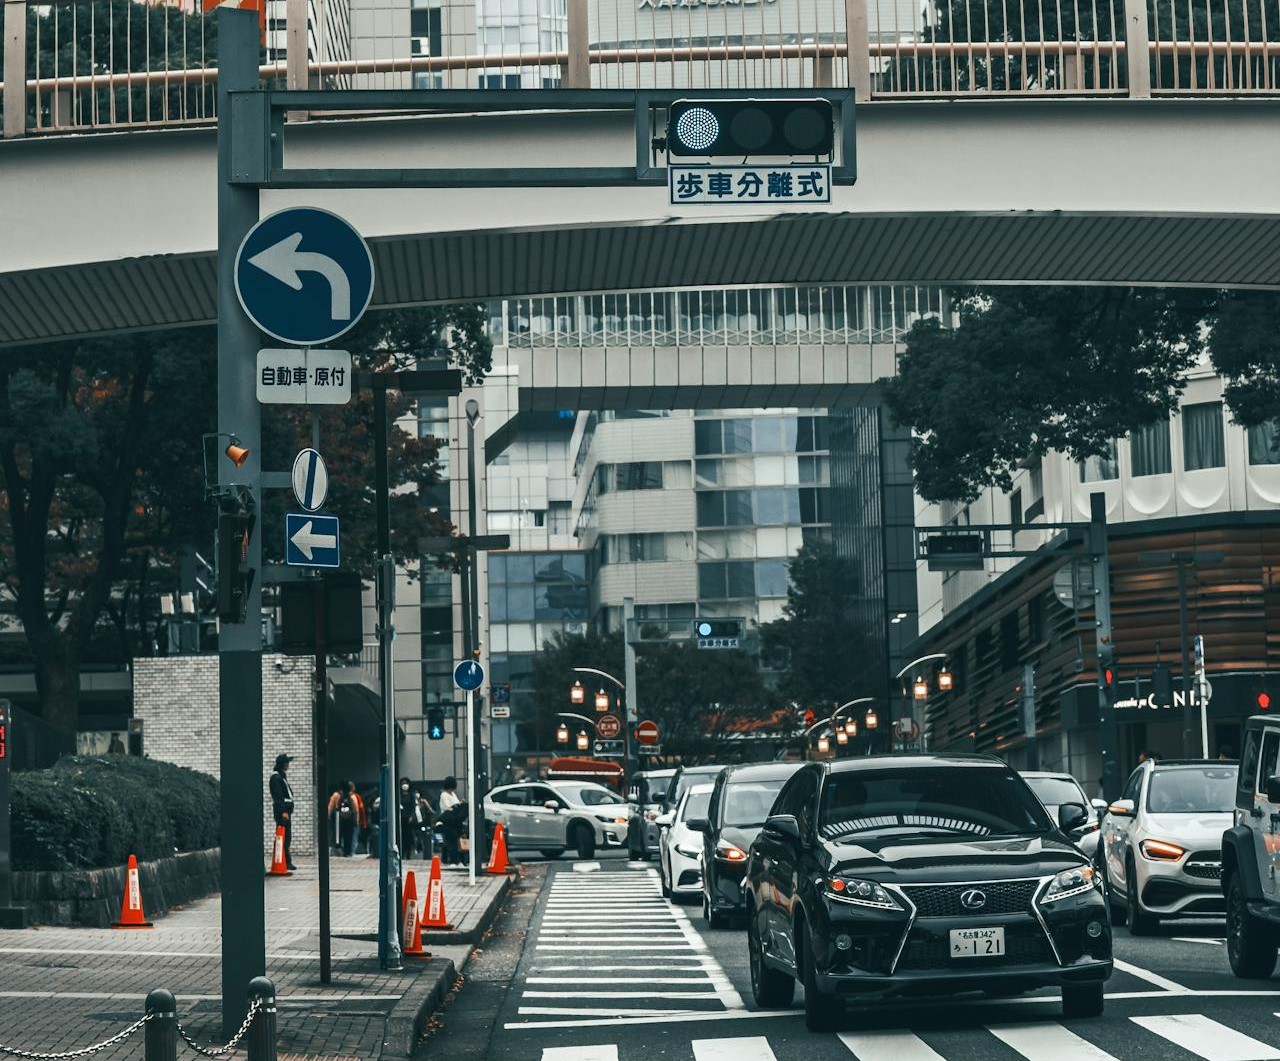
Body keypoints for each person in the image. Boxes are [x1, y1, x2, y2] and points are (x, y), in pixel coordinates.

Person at [269, 753, 297, 870]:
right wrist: (283, 811)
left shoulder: (281, 776)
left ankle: (285, 860)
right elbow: (278, 796)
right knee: (284, 836)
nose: (288, 764)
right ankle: (286, 861)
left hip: (286, 811)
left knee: (286, 836)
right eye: (287, 762)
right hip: (283, 812)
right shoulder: (276, 778)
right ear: (282, 764)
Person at [437, 777, 464, 866]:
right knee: (451, 841)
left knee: (456, 840)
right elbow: (447, 807)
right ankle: (452, 861)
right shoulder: (444, 795)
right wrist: (456, 805)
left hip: (455, 820)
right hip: (447, 820)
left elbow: (456, 804)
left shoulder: (453, 794)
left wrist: (460, 804)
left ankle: (458, 860)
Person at [337, 781, 365, 857]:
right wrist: (356, 819)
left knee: (346, 836)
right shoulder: (352, 797)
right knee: (349, 836)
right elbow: (356, 810)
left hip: (344, 818)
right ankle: (349, 852)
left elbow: (339, 807)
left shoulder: (343, 797)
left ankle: (346, 851)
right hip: (349, 819)